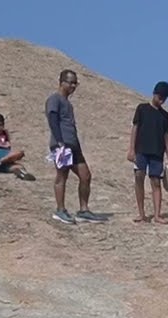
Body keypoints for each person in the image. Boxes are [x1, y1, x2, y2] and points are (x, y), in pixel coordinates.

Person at [46, 69, 105, 225]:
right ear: (62, 82)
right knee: (62, 176)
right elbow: (52, 119)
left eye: (75, 83)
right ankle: (60, 210)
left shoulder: (68, 103)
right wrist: (59, 142)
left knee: (85, 176)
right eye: (71, 82)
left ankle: (84, 210)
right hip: (62, 144)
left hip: (74, 144)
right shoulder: (54, 99)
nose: (73, 86)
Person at [128, 81, 168, 224]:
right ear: (154, 93)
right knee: (139, 176)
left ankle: (156, 215)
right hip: (141, 150)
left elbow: (165, 136)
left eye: (164, 98)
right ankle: (141, 213)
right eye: (160, 96)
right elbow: (135, 128)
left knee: (156, 182)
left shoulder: (165, 116)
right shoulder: (142, 109)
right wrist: (131, 149)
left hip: (157, 152)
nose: (161, 100)